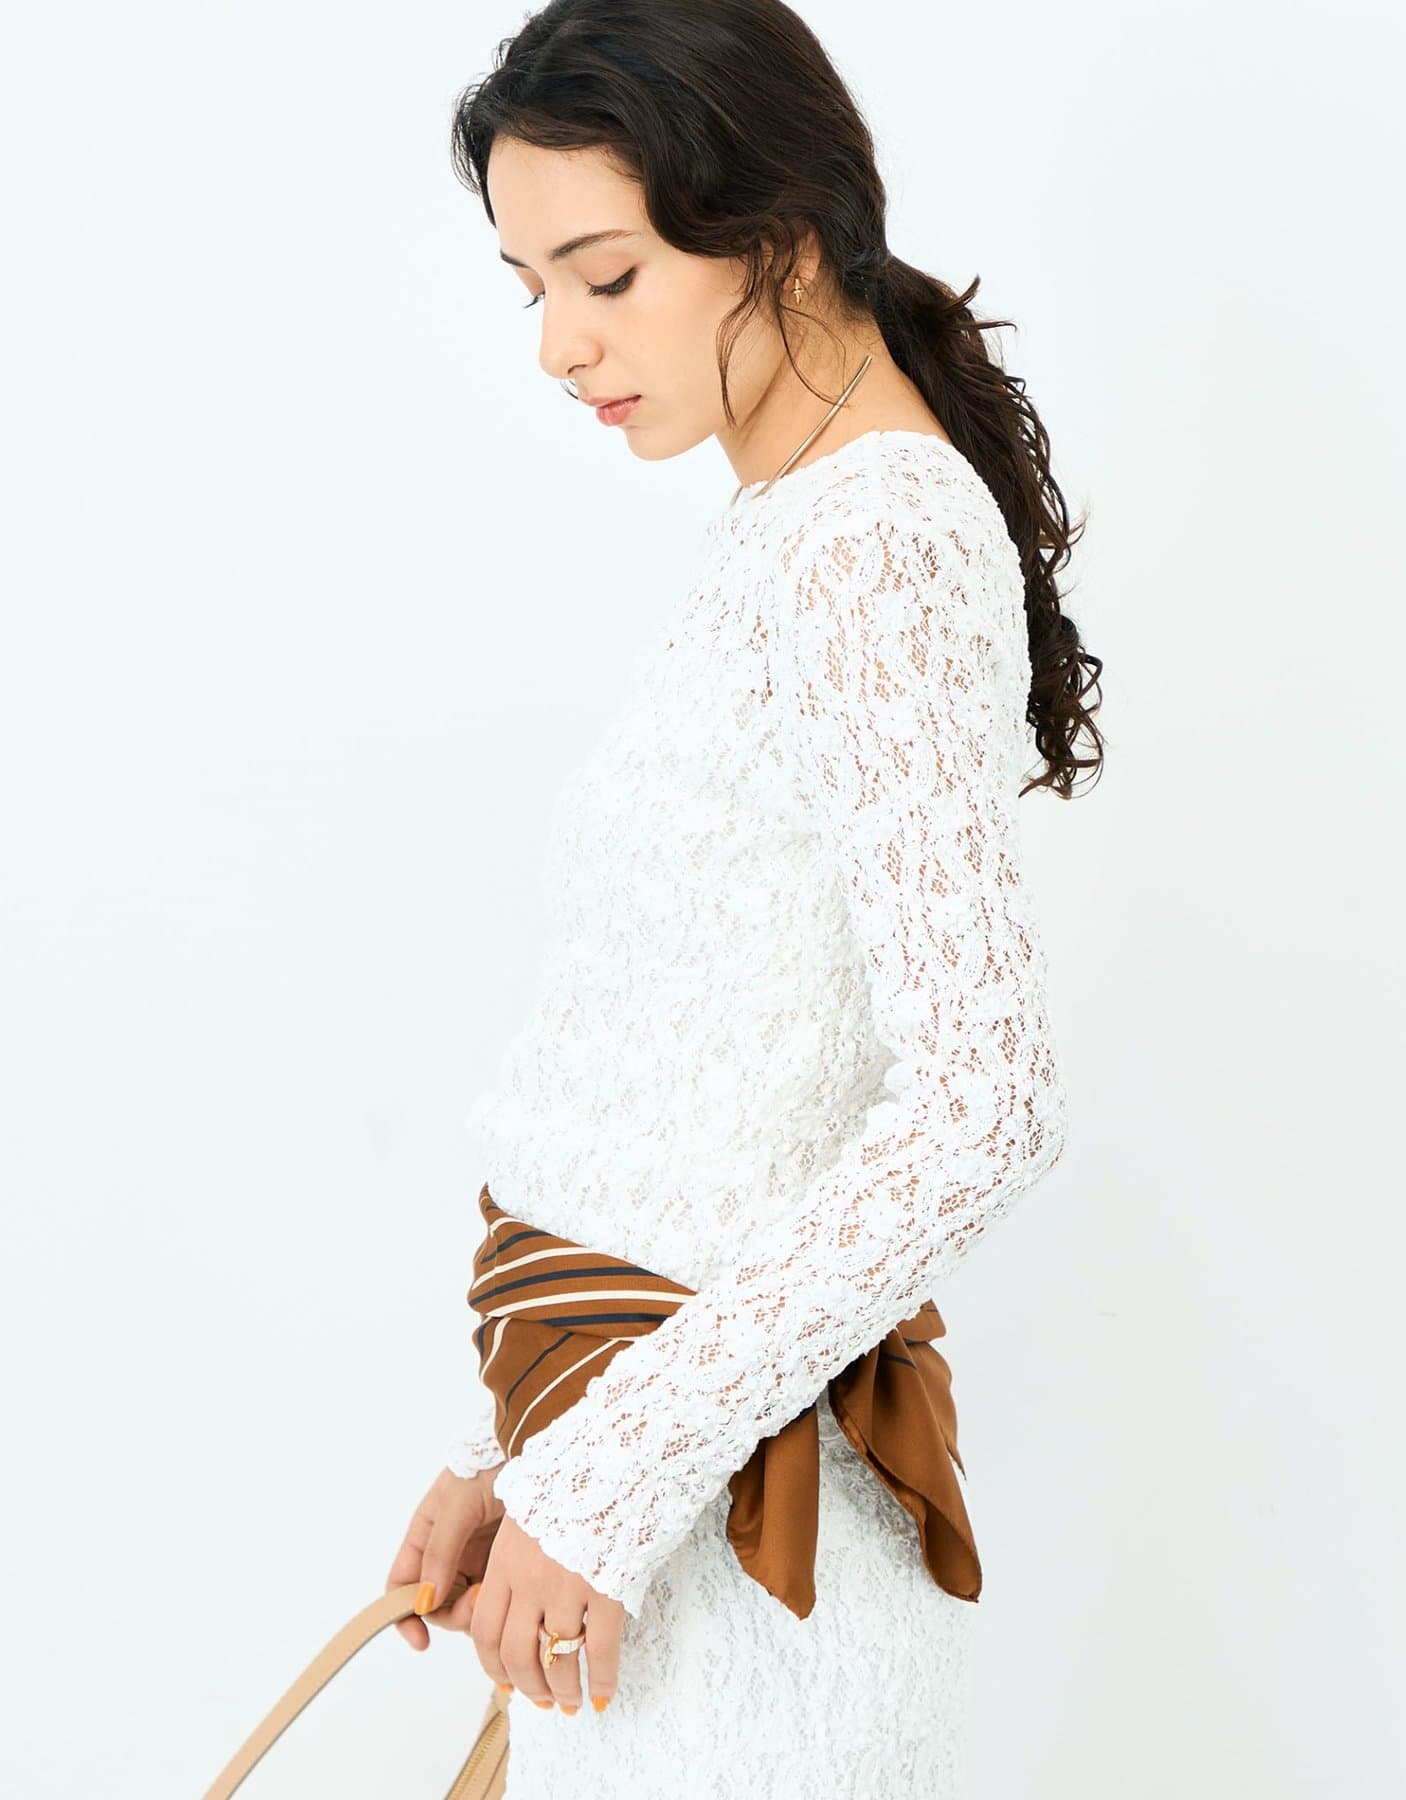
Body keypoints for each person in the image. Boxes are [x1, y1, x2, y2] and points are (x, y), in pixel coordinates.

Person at [386, 2, 1104, 1794]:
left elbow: (985, 1105)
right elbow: (691, 1096)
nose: (558, 343)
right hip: (650, 1526)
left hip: (733, 1579)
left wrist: (602, 1476)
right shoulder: (797, 530)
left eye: (606, 275)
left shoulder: (872, 541)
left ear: (777, 235)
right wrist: (523, 1454)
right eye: (529, 287)